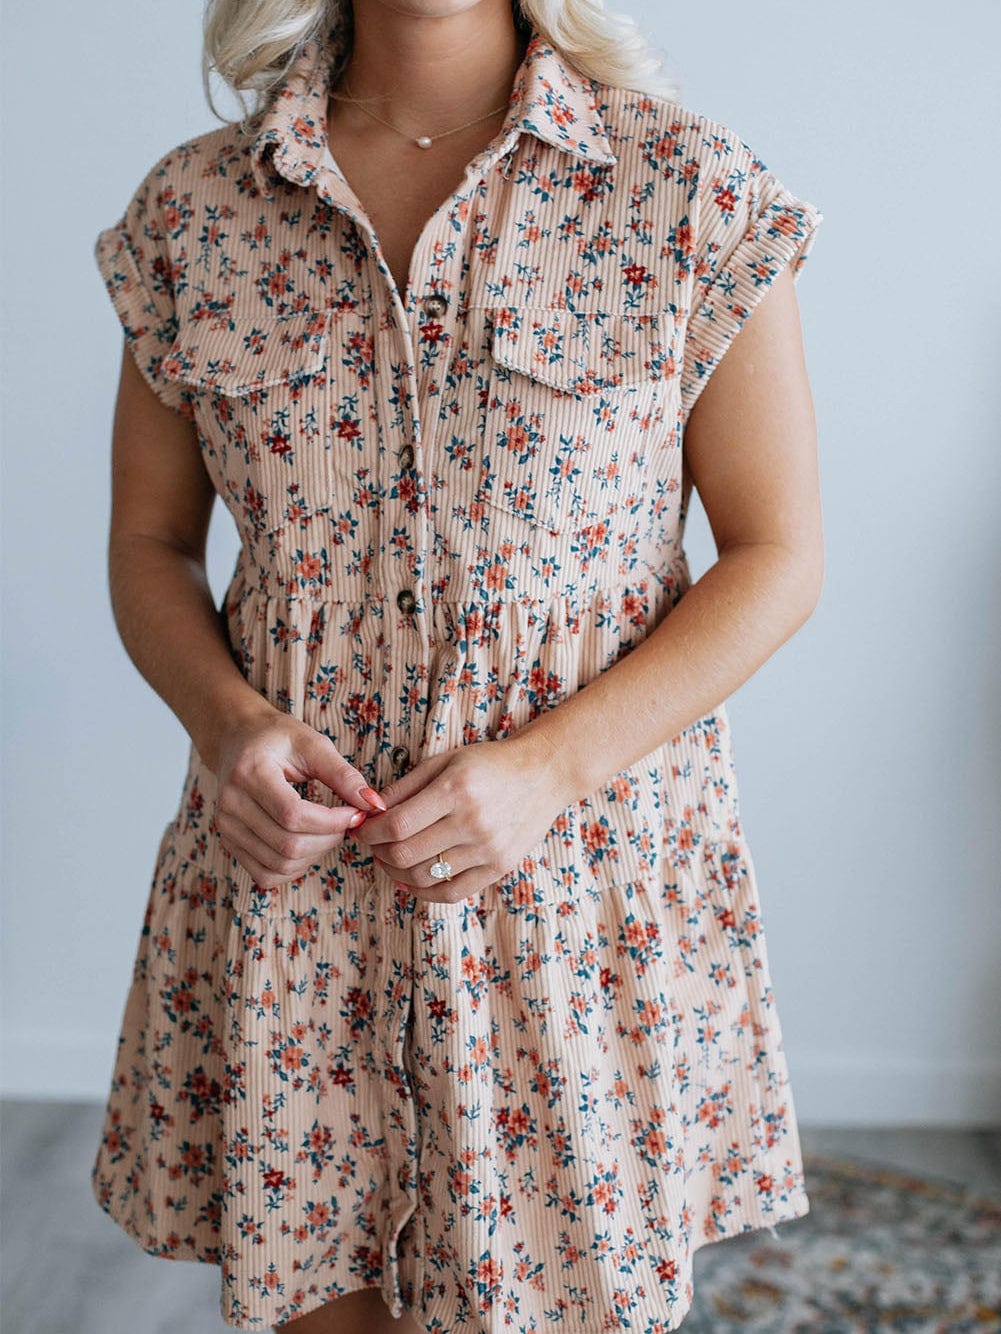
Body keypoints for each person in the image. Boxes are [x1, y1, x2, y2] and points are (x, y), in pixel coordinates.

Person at [90, 0, 825, 1329]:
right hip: (297, 902)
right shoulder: (199, 210)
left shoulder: (682, 188)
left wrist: (546, 768)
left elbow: (776, 552)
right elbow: (148, 539)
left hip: (576, 903)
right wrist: (227, 726)